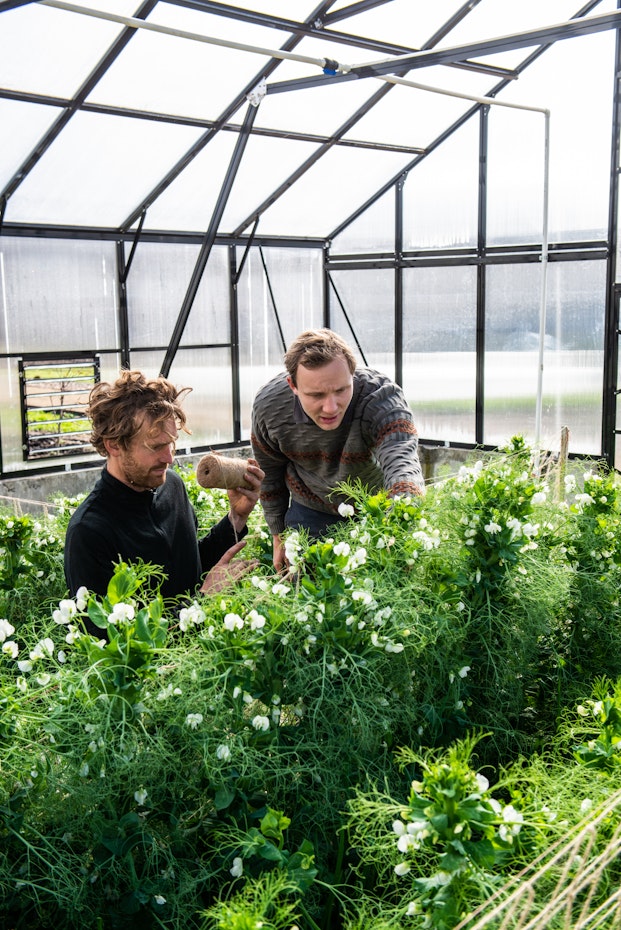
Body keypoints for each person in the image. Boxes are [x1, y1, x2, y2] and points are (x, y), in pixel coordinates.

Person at [64, 369, 264, 604]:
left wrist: (236, 518)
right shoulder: (89, 532)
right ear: (114, 445)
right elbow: (108, 637)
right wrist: (203, 600)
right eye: (155, 447)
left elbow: (188, 567)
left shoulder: (172, 487)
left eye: (171, 444)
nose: (169, 458)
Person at [251, 328, 425, 572]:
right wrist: (278, 532)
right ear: (293, 385)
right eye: (316, 395)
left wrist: (400, 521)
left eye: (341, 390)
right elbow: (269, 472)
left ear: (352, 374)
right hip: (310, 509)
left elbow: (401, 459)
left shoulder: (380, 398)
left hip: (375, 509)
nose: (331, 407)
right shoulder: (270, 407)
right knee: (308, 592)